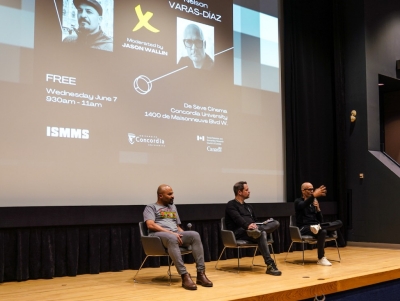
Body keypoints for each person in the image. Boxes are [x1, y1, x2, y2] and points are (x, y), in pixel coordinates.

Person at [143, 184, 213, 290]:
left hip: (174, 234)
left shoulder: (173, 207)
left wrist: (184, 236)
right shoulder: (151, 207)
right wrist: (171, 233)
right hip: (158, 236)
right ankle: (184, 275)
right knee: (172, 238)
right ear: (161, 196)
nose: (173, 196)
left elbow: (177, 227)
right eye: (169, 194)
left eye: (173, 193)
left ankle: (201, 273)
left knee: (194, 235)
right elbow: (150, 225)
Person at [225, 181, 282, 276]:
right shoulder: (231, 205)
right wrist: (247, 226)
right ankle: (270, 265)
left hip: (253, 230)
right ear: (239, 192)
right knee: (261, 233)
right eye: (247, 190)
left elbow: (255, 220)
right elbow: (237, 218)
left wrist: (263, 223)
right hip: (239, 232)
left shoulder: (248, 207)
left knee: (275, 223)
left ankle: (257, 231)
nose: (249, 191)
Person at [294, 182, 343, 266]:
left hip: (317, 226)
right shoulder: (298, 201)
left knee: (339, 222)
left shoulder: (314, 202)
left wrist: (318, 209)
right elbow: (303, 205)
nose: (312, 191)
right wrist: (314, 196)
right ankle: (321, 258)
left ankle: (318, 228)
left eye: (312, 189)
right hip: (304, 228)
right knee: (322, 230)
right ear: (303, 191)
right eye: (309, 189)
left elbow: (320, 220)